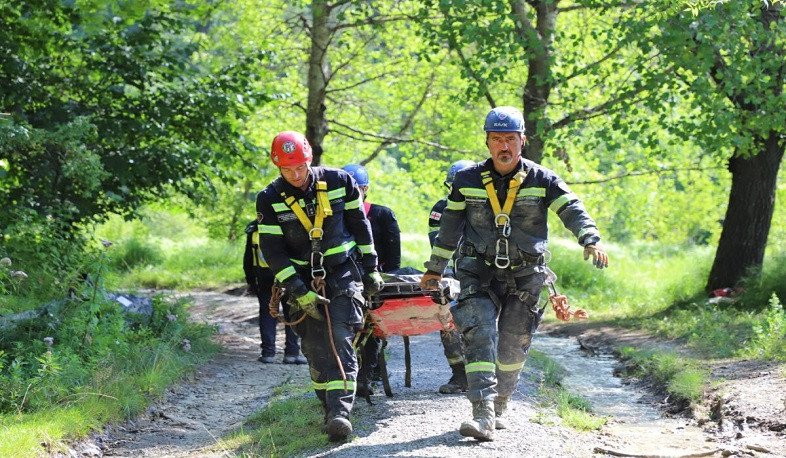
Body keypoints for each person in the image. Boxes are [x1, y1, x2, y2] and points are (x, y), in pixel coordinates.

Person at [420, 106, 609, 441]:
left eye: (510, 139)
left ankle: (500, 405)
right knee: (478, 334)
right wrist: (435, 269)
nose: (503, 146)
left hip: (526, 274)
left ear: (522, 140)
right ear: (487, 142)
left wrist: (590, 239)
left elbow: (571, 208)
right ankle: (482, 414)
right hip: (478, 271)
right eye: (496, 139)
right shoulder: (466, 180)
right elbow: (449, 228)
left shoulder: (542, 178)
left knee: (512, 347)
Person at [255, 131, 383, 442]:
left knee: (340, 337)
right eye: (287, 169)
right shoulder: (269, 198)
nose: (295, 175)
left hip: (342, 271)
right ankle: (328, 409)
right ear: (278, 167)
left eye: (300, 167)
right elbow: (273, 252)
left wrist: (371, 269)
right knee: (314, 348)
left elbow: (360, 225)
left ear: (309, 160)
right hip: (299, 278)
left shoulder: (340, 181)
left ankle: (340, 412)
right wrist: (299, 291)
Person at [342, 164, 401, 397]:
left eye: (355, 189)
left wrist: (386, 282)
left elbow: (394, 255)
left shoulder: (382, 215)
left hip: (374, 281)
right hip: (343, 280)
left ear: (365, 189)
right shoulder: (330, 217)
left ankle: (366, 376)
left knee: (370, 329)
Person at [428, 160, 475, 395]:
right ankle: (459, 376)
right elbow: (437, 242)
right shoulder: (440, 208)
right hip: (452, 273)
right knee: (447, 321)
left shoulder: (489, 207)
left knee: (482, 326)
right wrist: (444, 275)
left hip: (482, 273)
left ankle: (486, 377)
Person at [243, 218, 307, 364]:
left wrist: (251, 282)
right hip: (289, 275)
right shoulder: (289, 223)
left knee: (267, 313)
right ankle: (292, 353)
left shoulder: (254, 229)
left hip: (263, 277)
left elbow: (248, 257)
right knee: (292, 312)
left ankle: (268, 353)